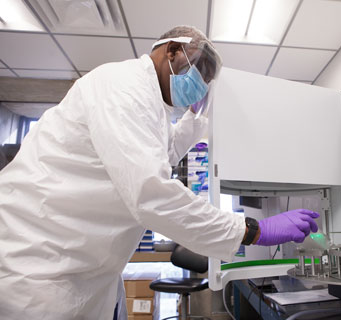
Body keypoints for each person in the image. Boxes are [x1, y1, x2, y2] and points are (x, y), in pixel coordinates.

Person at [0, 25, 319, 319]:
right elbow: (152, 193)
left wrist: (196, 119)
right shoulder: (125, 89)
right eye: (199, 73)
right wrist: (252, 231)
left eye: (206, 82)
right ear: (172, 51)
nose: (200, 85)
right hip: (39, 271)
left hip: (83, 271)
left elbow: (160, 156)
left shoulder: (150, 106)